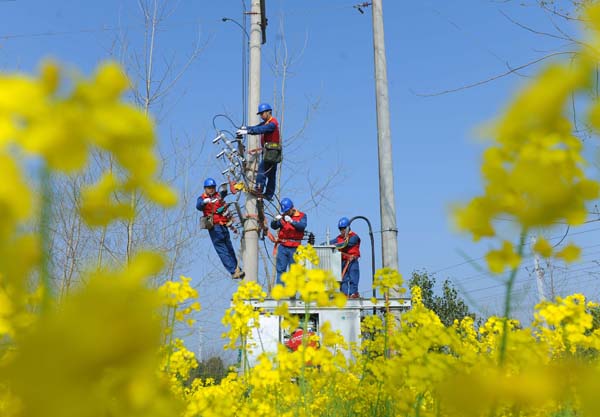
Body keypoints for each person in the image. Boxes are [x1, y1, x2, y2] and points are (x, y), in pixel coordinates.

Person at [196, 177, 245, 280]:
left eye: (213, 187)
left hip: (223, 225)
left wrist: (231, 187)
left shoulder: (218, 196)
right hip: (214, 227)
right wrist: (204, 202)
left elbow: (225, 195)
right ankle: (233, 270)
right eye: (209, 188)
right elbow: (198, 206)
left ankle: (236, 269)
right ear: (205, 188)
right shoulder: (202, 198)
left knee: (229, 248)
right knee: (222, 250)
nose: (211, 189)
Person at [236, 102, 280, 201]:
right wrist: (246, 128)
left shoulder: (272, 123)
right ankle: (269, 194)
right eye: (260, 114)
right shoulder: (266, 123)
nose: (261, 116)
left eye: (262, 113)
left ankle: (259, 189)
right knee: (271, 174)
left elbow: (261, 129)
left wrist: (247, 132)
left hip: (271, 153)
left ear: (269, 112)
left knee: (262, 170)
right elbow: (256, 127)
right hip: (271, 152)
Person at [270, 198, 307, 284]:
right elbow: (274, 226)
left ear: (292, 208)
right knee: (281, 270)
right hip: (283, 246)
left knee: (293, 271)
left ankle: (292, 294)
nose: (286, 213)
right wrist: (275, 220)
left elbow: (302, 226)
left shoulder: (301, 216)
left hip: (295, 247)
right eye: (284, 211)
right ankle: (280, 292)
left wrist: (291, 221)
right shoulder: (283, 218)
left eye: (287, 211)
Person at [330, 217, 361, 298]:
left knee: (353, 277)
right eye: (340, 229)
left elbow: (346, 244)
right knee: (343, 279)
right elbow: (328, 243)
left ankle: (353, 293)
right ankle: (343, 294)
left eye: (343, 228)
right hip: (343, 261)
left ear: (348, 228)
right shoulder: (339, 238)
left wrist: (334, 245)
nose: (342, 231)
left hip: (352, 261)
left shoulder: (354, 237)